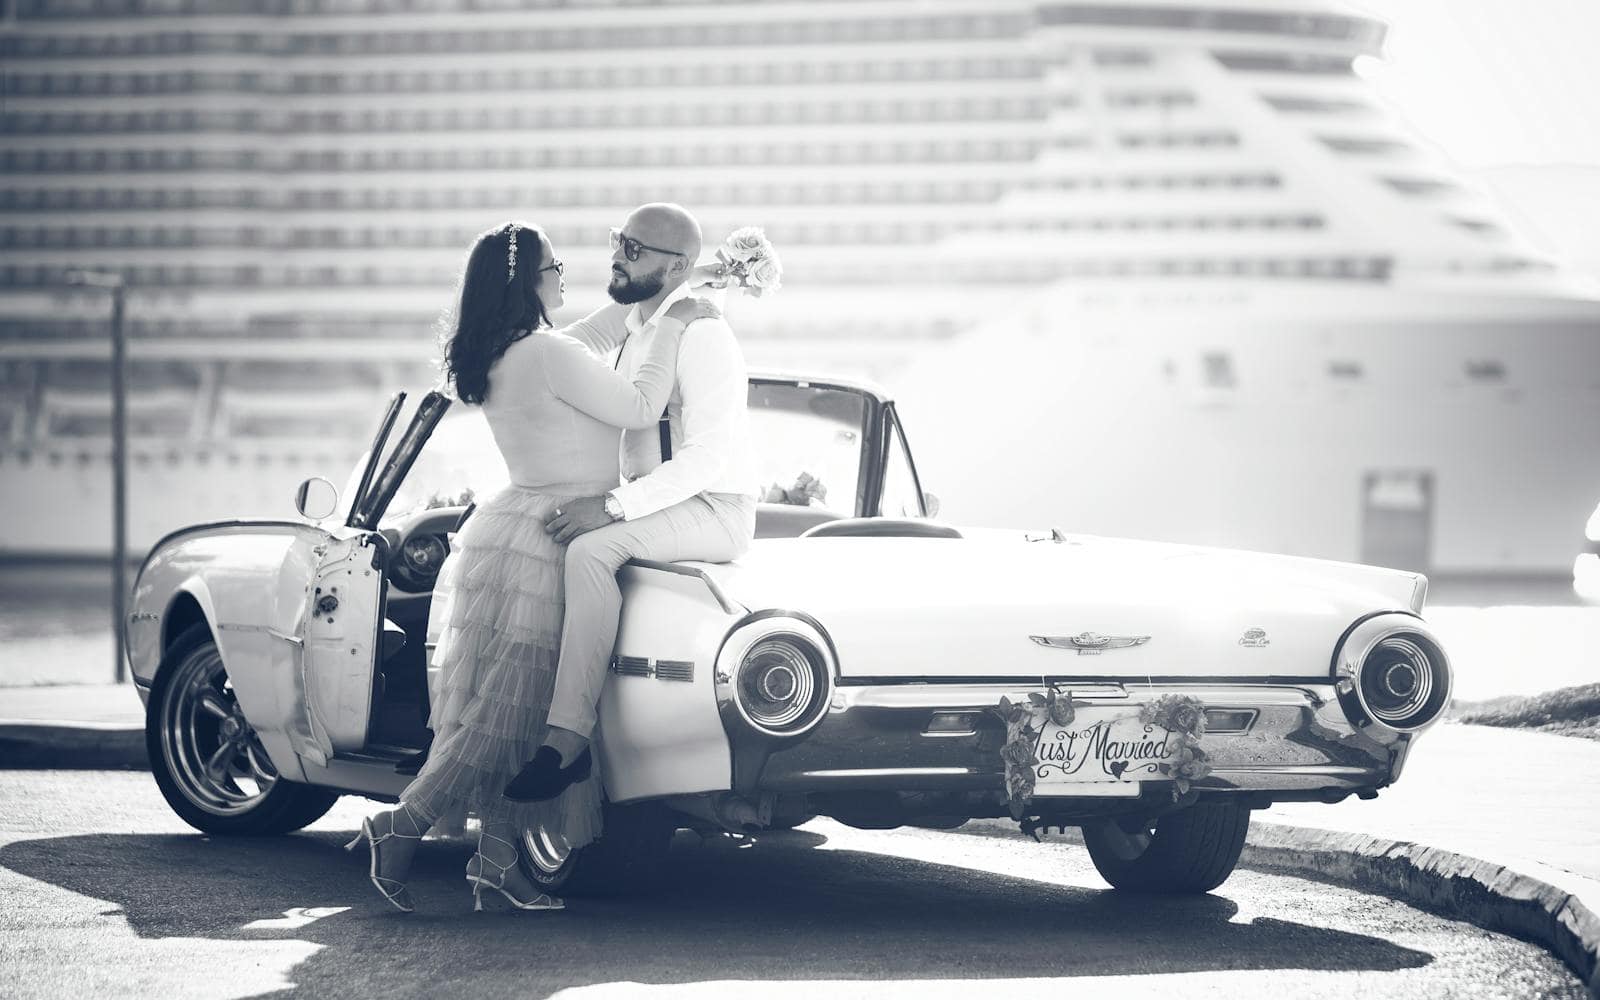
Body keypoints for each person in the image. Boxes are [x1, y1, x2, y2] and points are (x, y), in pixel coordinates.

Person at [346, 221, 718, 913]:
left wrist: (672, 290)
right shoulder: (546, 352)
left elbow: (601, 332)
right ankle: (398, 823)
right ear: (530, 279)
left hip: (513, 527)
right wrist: (677, 324)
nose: (565, 275)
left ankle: (496, 863)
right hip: (551, 534)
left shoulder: (511, 350)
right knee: (505, 717)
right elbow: (639, 406)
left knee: (521, 711)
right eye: (555, 265)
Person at [503, 203, 758, 802]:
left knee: (591, 552)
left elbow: (709, 459)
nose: (617, 254)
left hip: (716, 507)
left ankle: (566, 740)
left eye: (634, 248)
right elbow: (561, 346)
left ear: (675, 267)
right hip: (665, 504)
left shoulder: (705, 334)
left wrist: (613, 507)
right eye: (619, 239)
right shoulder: (642, 324)